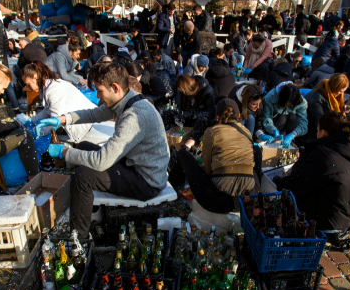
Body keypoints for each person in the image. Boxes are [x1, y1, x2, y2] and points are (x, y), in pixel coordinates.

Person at [41, 62, 169, 239]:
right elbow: (94, 114)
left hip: (147, 182)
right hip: (137, 166)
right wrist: (61, 120)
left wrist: (64, 152)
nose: (98, 97)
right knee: (84, 147)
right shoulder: (128, 99)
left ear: (115, 87)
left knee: (83, 177)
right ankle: (85, 206)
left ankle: (78, 239)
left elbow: (102, 161)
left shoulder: (135, 116)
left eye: (99, 91)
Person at [272, 111, 350, 232]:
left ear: (323, 132)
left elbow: (297, 184)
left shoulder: (323, 154)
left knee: (288, 199)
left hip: (333, 221)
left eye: (318, 129)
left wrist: (278, 181)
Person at [174, 98, 258, 213]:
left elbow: (207, 169)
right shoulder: (247, 132)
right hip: (248, 200)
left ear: (217, 117)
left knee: (183, 154)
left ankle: (172, 186)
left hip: (219, 202)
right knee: (256, 151)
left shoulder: (212, 131)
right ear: (239, 117)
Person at [21, 61, 94, 143]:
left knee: (42, 138)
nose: (28, 87)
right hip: (76, 118)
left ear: (35, 77)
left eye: (28, 84)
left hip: (80, 124)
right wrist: (31, 121)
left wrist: (32, 133)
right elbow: (47, 111)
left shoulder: (53, 90)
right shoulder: (49, 86)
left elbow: (55, 122)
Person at [161, 73, 215, 148]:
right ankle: (159, 135)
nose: (182, 93)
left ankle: (188, 144)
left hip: (198, 118)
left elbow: (210, 112)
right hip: (187, 117)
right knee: (168, 113)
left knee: (203, 121)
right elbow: (180, 106)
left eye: (182, 92)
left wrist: (192, 114)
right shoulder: (182, 92)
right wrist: (180, 113)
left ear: (187, 89)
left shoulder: (207, 91)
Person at [303, 74, 350, 144]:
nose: (341, 94)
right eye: (340, 91)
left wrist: (343, 108)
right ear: (334, 87)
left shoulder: (326, 90)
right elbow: (320, 123)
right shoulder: (316, 99)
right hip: (311, 135)